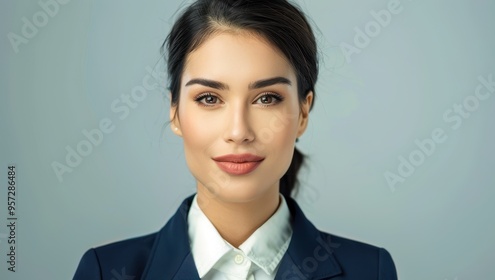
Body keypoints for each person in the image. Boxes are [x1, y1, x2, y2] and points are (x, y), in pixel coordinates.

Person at [73, 0, 398, 279]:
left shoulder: (371, 271)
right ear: (174, 112)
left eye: (267, 98)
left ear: (303, 112)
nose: (238, 131)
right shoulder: (106, 271)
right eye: (210, 98)